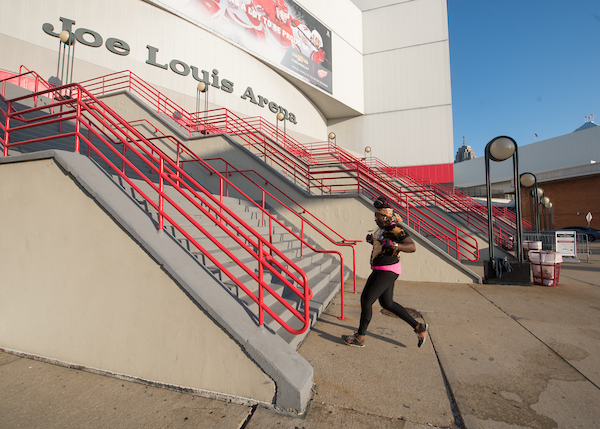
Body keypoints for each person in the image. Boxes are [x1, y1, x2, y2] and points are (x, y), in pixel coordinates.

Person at [342, 196, 429, 348]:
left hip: (386, 270)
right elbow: (383, 245)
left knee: (366, 301)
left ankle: (360, 338)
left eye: (377, 216)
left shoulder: (396, 229)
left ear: (385, 216)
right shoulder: (382, 229)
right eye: (375, 215)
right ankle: (418, 327)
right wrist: (373, 241)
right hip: (383, 269)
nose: (375, 219)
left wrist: (394, 245)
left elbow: (411, 246)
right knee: (387, 303)